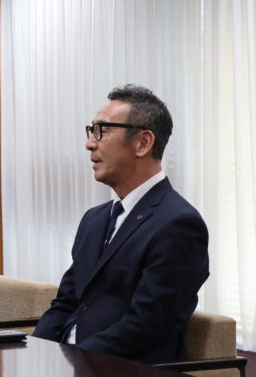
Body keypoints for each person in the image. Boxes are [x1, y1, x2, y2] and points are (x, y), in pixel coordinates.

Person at [32, 85, 209, 363]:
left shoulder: (178, 224)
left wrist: (74, 361)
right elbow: (66, 303)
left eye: (102, 131)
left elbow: (144, 325)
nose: (90, 144)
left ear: (142, 143)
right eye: (91, 131)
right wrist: (34, 353)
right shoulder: (94, 219)